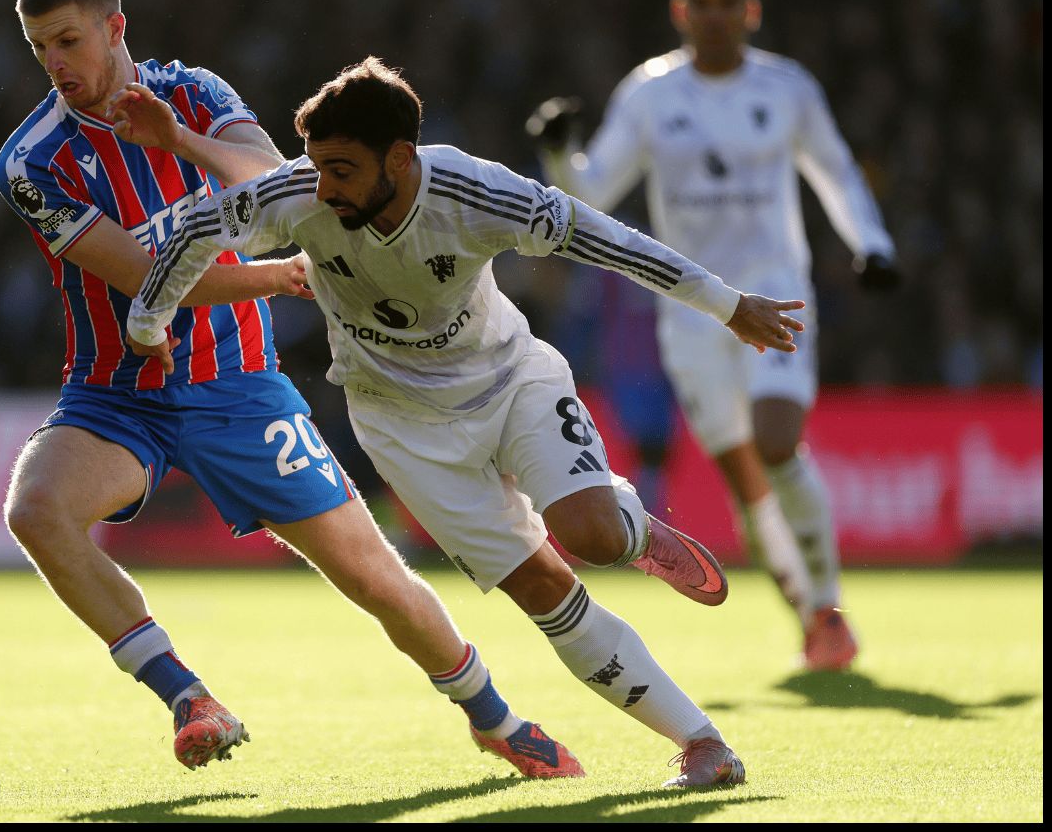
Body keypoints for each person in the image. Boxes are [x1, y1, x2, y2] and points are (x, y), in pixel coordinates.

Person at [128, 58, 808, 786]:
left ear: (398, 157)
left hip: (511, 381)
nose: (324, 187)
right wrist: (147, 322)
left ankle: (634, 528)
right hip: (399, 423)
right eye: (317, 167)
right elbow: (196, 229)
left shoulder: (474, 191)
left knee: (595, 538)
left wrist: (726, 303)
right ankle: (702, 743)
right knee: (542, 590)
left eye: (342, 170)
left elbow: (607, 239)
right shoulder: (299, 193)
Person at [0, 0, 585, 778]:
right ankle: (186, 696)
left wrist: (178, 139)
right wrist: (274, 276)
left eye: (67, 41)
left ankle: (493, 716)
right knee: (36, 509)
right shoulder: (32, 162)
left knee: (372, 575)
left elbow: (278, 180)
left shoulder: (195, 93)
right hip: (117, 394)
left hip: (238, 387)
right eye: (37, 50)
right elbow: (143, 277)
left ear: (114, 28)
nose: (55, 65)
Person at [527, 0, 900, 671]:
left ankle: (828, 610)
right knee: (744, 477)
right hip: (691, 308)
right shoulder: (649, 93)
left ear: (751, 11)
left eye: (729, 4)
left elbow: (835, 173)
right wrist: (555, 153)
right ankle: (804, 610)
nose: (716, 16)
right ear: (680, 11)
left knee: (775, 440)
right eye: (702, 4)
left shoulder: (786, 89)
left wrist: (872, 245)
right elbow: (591, 190)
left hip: (778, 295)